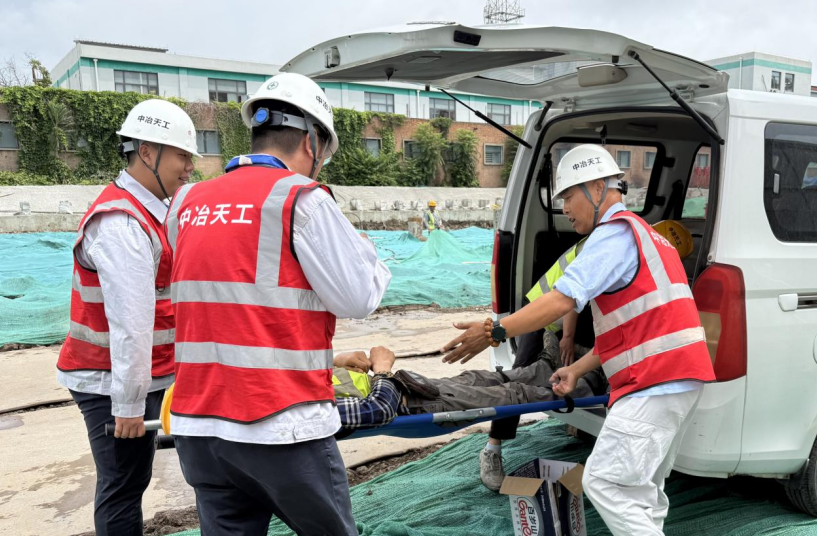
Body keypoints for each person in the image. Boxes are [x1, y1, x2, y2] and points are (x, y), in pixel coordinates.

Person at [440, 144, 715, 535]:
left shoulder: (615, 235)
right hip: (679, 378)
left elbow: (561, 300)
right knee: (641, 493)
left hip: (656, 379)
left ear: (598, 188)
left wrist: (494, 330)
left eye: (569, 196)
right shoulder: (649, 237)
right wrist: (577, 368)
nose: (565, 208)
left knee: (605, 483)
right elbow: (633, 329)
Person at [164, 73, 390, 536]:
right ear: (311, 142)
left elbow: (232, 302)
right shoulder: (301, 199)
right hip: (280, 424)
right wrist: (364, 251)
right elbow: (359, 298)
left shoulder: (187, 201)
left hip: (200, 428)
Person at [56, 99, 199, 535]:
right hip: (109, 380)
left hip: (141, 375)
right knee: (122, 485)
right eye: (182, 156)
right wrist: (129, 406)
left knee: (131, 480)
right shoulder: (121, 222)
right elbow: (131, 324)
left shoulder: (153, 210)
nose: (189, 168)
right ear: (147, 152)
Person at [330, 342, 607, 439]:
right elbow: (377, 410)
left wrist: (336, 362)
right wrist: (382, 369)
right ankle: (586, 385)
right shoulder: (309, 409)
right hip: (410, 404)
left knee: (481, 378)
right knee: (510, 396)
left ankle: (547, 369)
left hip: (407, 387)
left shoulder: (300, 371)